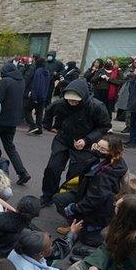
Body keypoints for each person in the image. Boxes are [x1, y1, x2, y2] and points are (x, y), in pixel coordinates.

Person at [39, 78, 112, 207]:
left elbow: (104, 126)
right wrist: (48, 125)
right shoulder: (61, 103)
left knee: (75, 174)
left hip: (84, 144)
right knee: (52, 168)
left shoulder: (96, 106)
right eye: (69, 99)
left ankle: (66, 199)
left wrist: (86, 140)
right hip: (63, 139)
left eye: (75, 100)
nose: (72, 102)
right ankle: (47, 196)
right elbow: (49, 111)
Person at [52, 134, 127, 245]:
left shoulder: (106, 175)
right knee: (59, 198)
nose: (97, 149)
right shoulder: (105, 159)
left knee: (87, 240)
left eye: (102, 149)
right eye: (97, 146)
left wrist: (75, 208)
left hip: (98, 207)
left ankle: (81, 226)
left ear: (112, 152)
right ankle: (76, 223)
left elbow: (94, 199)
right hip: (86, 193)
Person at [0, 61, 31, 184]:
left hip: (0, 120)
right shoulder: (21, 81)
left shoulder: (5, 81)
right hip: (12, 121)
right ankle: (22, 172)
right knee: (10, 148)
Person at [24, 57, 50, 135]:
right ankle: (39, 129)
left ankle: (33, 126)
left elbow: (36, 85)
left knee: (27, 110)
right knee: (39, 113)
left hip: (36, 96)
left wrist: (34, 96)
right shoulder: (47, 72)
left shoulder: (38, 72)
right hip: (43, 96)